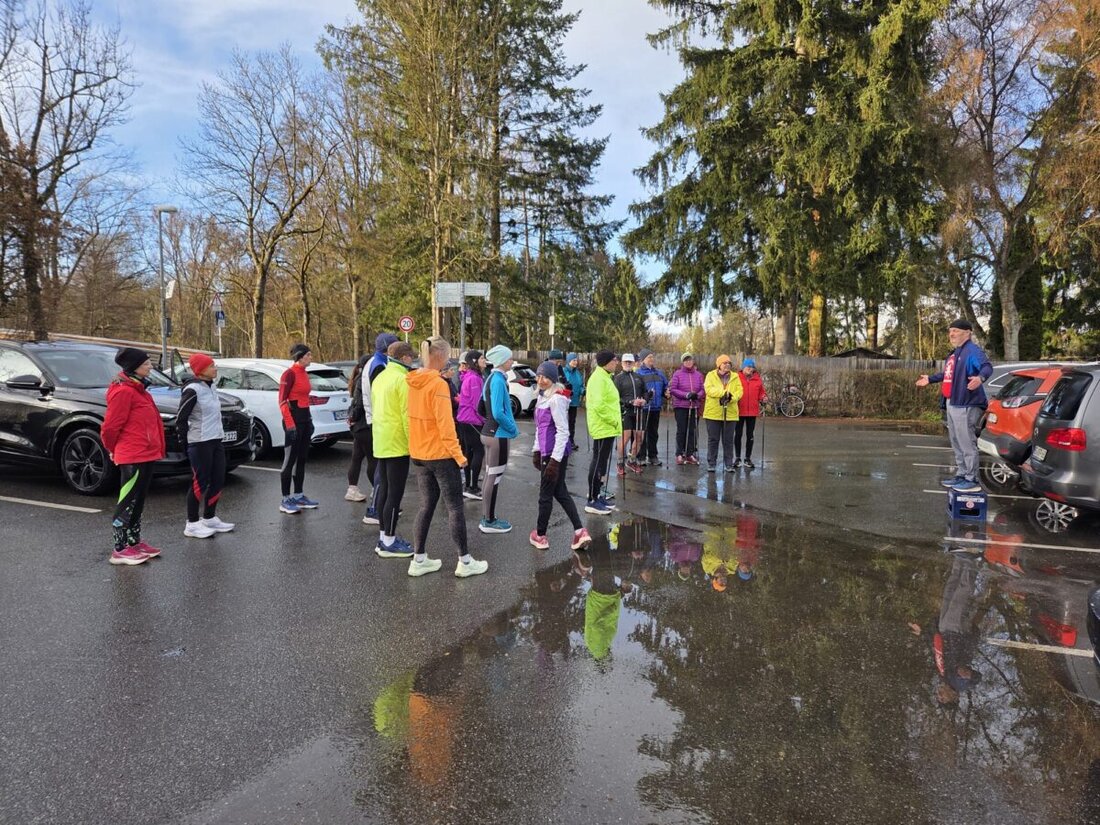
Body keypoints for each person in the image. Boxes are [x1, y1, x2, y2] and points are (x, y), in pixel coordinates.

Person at [406, 336, 489, 578]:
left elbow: (409, 417)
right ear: (441, 357)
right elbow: (445, 425)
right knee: (455, 507)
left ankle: (418, 559)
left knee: (426, 506)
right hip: (440, 454)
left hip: (420, 453)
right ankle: (464, 561)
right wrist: (459, 456)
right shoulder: (438, 385)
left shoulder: (412, 381)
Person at [101, 347, 166, 565]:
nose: (150, 366)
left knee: (139, 500)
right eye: (146, 363)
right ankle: (119, 549)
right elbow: (110, 427)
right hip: (132, 454)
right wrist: (112, 449)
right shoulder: (123, 392)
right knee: (127, 501)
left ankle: (133, 541)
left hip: (146, 453)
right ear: (134, 367)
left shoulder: (141, 390)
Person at [916, 319, 992, 493]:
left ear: (968, 332)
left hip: (966, 403)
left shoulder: (972, 351)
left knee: (966, 443)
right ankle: (962, 474)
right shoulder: (956, 353)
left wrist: (980, 378)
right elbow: (948, 374)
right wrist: (930, 379)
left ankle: (971, 479)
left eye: (956, 331)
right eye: (950, 331)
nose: (952, 334)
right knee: (956, 441)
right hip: (952, 402)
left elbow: (987, 367)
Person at [530, 361, 592, 552]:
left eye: (546, 377)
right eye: (539, 376)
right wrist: (536, 450)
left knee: (545, 495)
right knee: (560, 492)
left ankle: (540, 535)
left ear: (553, 379)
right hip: (547, 452)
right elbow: (540, 428)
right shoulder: (542, 397)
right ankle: (580, 531)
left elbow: (563, 431)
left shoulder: (556, 399)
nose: (541, 380)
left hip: (554, 454)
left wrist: (554, 461)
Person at [176, 353, 235, 538]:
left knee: (218, 479)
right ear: (201, 371)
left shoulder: (211, 386)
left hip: (216, 440)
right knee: (199, 483)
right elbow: (181, 419)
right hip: (199, 442)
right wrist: (185, 443)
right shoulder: (192, 390)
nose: (215, 368)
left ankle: (209, 518)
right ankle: (192, 523)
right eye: (211, 366)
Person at [372, 340, 417, 557]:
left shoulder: (380, 377)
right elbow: (407, 416)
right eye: (412, 357)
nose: (413, 360)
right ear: (405, 358)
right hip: (397, 442)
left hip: (381, 440)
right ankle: (389, 541)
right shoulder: (402, 379)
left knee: (384, 490)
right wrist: (413, 444)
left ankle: (383, 536)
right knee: (394, 493)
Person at [479, 344, 518, 534]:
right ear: (502, 361)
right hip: (498, 435)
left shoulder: (490, 378)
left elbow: (481, 408)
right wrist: (513, 428)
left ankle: (487, 517)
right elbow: (498, 412)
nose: (512, 361)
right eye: (509, 358)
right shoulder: (497, 380)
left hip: (489, 433)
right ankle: (489, 520)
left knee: (489, 475)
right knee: (493, 476)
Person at [362, 333, 400, 523]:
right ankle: (375, 509)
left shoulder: (378, 362)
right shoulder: (379, 365)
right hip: (381, 422)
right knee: (382, 473)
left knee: (382, 471)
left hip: (379, 421)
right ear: (388, 348)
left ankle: (379, 507)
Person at [278, 343, 319, 514]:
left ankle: (298, 495)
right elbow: (282, 401)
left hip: (304, 420)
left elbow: (304, 399)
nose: (311, 357)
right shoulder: (289, 374)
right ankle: (285, 499)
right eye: (308, 355)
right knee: (289, 460)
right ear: (300, 357)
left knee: (301, 459)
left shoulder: (304, 373)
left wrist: (309, 421)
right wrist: (290, 424)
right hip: (292, 422)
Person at [585, 349, 621, 514]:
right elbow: (599, 405)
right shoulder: (599, 378)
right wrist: (613, 420)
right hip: (603, 426)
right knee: (598, 462)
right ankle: (591, 500)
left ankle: (597, 495)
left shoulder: (605, 377)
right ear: (607, 362)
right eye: (614, 360)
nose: (617, 363)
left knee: (602, 462)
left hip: (607, 427)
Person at [703, 354, 743, 472]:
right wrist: (723, 393)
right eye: (724, 363)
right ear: (719, 365)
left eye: (729, 363)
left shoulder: (735, 377)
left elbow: (739, 391)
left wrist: (731, 398)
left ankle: (729, 464)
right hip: (713, 413)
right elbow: (709, 389)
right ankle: (711, 463)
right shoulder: (710, 375)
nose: (727, 365)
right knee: (713, 439)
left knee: (728, 440)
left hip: (730, 413)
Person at [456, 350, 486, 499]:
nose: (485, 361)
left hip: (466, 419)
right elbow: (477, 404)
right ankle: (472, 486)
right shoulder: (474, 379)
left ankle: (468, 485)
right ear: (474, 361)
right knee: (478, 451)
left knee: (469, 453)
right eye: (482, 358)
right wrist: (484, 420)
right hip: (471, 420)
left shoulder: (473, 377)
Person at [344, 352, 373, 502]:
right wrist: (353, 417)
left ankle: (352, 489)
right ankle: (377, 490)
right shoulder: (364, 379)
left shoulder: (357, 378)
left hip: (358, 427)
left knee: (357, 457)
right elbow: (360, 403)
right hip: (363, 425)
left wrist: (352, 418)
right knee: (372, 460)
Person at [613, 353, 647, 476]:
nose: (628, 364)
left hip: (639, 411)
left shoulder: (639, 376)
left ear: (633, 363)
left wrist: (645, 400)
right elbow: (616, 397)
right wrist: (630, 401)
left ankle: (632, 461)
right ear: (622, 363)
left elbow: (645, 392)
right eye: (625, 362)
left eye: (630, 362)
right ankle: (620, 463)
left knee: (639, 438)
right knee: (625, 438)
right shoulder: (618, 378)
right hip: (626, 411)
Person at [668, 353, 704, 465]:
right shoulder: (677, 374)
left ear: (693, 361)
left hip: (694, 406)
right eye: (686, 360)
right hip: (681, 406)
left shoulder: (698, 375)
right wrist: (686, 395)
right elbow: (673, 389)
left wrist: (697, 395)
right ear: (683, 362)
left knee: (692, 430)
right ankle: (679, 453)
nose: (688, 362)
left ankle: (689, 454)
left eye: (690, 360)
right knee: (682, 430)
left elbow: (703, 389)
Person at [733, 357, 767, 469]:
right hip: (738, 411)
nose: (750, 369)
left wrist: (764, 398)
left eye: (752, 367)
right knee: (738, 435)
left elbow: (761, 393)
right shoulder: (736, 378)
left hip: (752, 411)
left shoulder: (757, 379)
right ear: (743, 367)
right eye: (748, 367)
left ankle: (748, 458)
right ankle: (737, 458)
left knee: (750, 435)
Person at [636, 348, 668, 466]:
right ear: (643, 360)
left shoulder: (659, 373)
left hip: (656, 407)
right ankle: (641, 456)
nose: (651, 359)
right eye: (649, 357)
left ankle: (653, 456)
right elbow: (636, 390)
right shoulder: (638, 374)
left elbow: (665, 386)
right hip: (643, 408)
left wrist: (667, 392)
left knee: (653, 433)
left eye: (652, 357)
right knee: (642, 432)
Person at [562, 353, 586, 450]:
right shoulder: (563, 372)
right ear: (568, 361)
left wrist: (583, 391)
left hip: (574, 402)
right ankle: (563, 442)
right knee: (563, 422)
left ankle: (571, 441)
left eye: (576, 360)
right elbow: (560, 384)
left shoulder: (577, 373)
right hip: (564, 401)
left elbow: (580, 386)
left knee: (572, 422)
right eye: (574, 360)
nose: (576, 362)